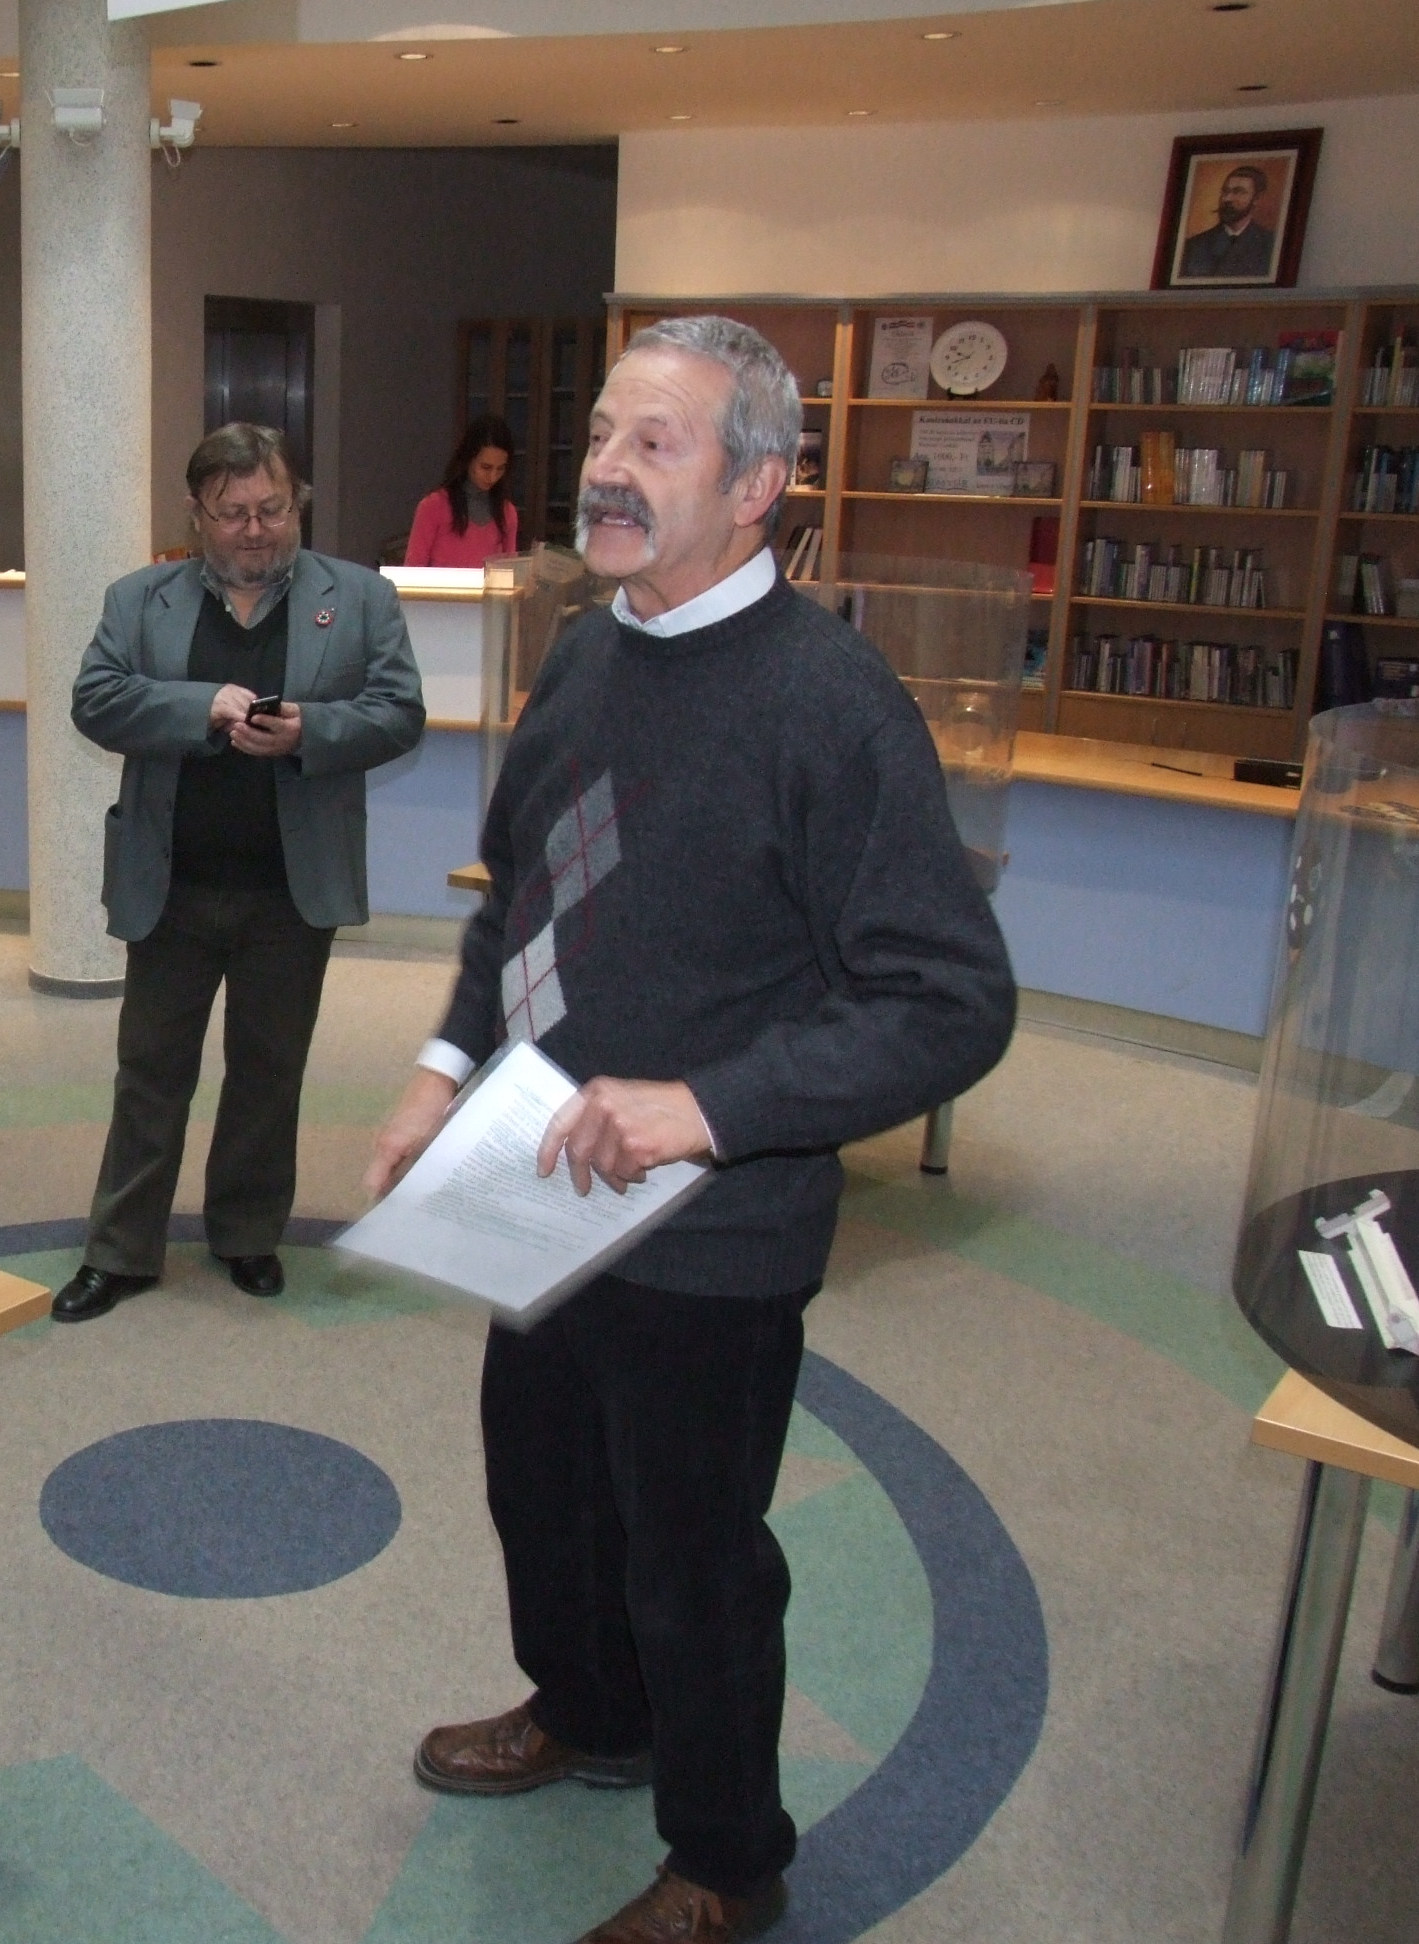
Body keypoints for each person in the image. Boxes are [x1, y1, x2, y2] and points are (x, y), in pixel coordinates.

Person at [365, 316, 1014, 1943]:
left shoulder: (833, 706)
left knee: (694, 1557)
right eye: (601, 433)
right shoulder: (586, 652)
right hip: (534, 1183)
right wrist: (444, 1067)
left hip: (712, 1230)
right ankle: (589, 1709)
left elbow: (950, 1002)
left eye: (653, 444)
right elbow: (517, 899)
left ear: (757, 485)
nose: (604, 469)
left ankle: (727, 1859)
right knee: (544, 1494)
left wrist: (706, 1110)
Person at [56, 423, 424, 1321]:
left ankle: (248, 1234)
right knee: (150, 1074)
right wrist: (200, 708)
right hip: (172, 883)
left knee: (269, 1072)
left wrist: (310, 732)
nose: (256, 530)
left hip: (290, 892)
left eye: (273, 509)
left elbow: (398, 711)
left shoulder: (361, 598)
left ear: (296, 504)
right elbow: (96, 699)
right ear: (197, 515)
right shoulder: (140, 600)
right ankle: (121, 1250)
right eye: (234, 514)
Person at [404, 414, 520, 569]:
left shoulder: (507, 513)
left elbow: (509, 574)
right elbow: (413, 570)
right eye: (485, 467)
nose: (493, 477)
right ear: (468, 459)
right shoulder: (433, 507)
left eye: (500, 469)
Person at [1179, 165, 1279, 282]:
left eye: (1239, 192)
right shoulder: (1193, 246)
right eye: (1225, 191)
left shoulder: (1271, 244)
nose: (1227, 198)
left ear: (1256, 199)